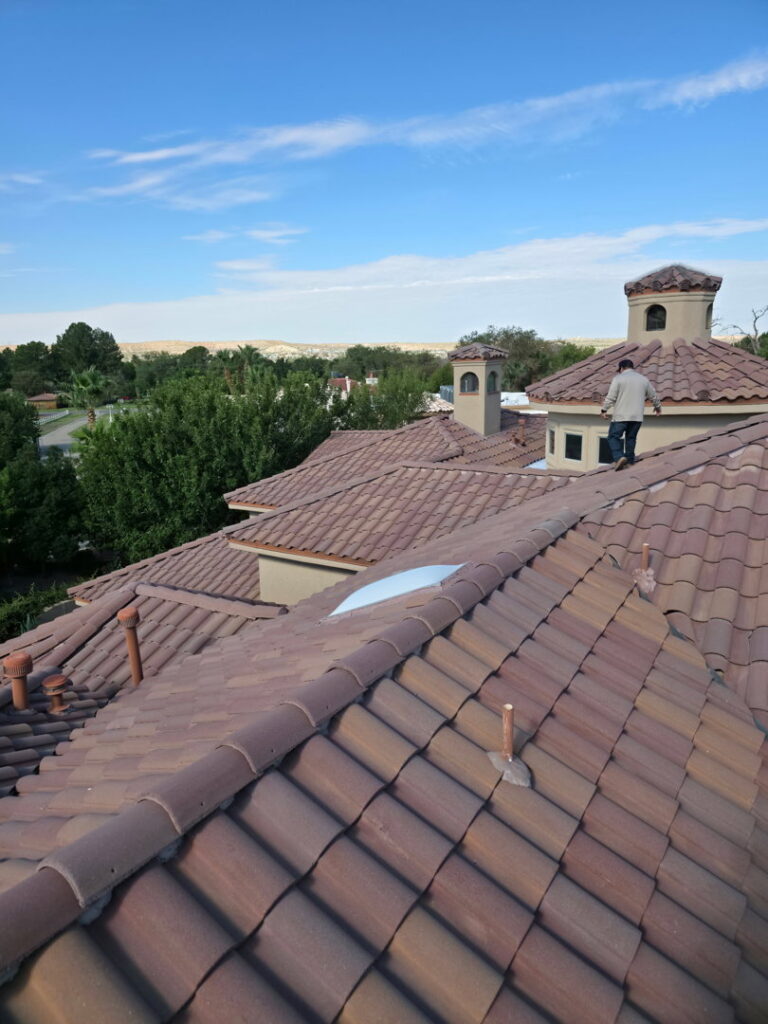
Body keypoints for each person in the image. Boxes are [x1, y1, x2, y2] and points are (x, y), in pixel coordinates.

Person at [601, 358, 661, 470]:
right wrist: (657, 407)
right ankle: (629, 461)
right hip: (637, 417)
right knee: (631, 438)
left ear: (621, 368)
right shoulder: (643, 380)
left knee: (613, 437)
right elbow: (653, 395)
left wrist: (604, 410)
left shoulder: (618, 378)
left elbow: (611, 397)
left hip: (621, 416)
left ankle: (619, 457)